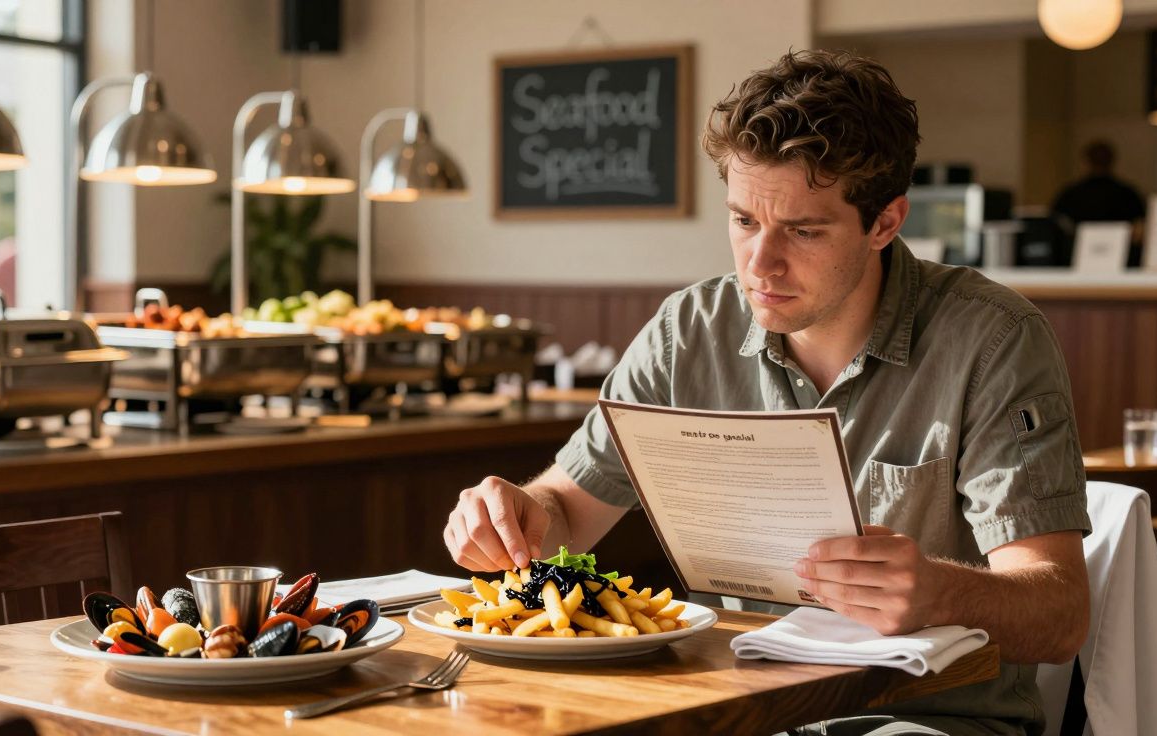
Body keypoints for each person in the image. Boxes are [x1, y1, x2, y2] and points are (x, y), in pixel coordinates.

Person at [443, 49, 1090, 736]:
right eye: (745, 221)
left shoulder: (993, 341)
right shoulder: (686, 333)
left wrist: (938, 591)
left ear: (885, 223)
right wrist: (519, 513)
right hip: (736, 711)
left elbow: (1059, 616)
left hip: (925, 720)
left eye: (803, 231)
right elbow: (566, 516)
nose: (759, 265)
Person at [1051, 140, 1146, 261]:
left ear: (1086, 160)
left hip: (1081, 255)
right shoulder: (1127, 193)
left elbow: (1058, 224)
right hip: (1119, 256)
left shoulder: (1071, 193)